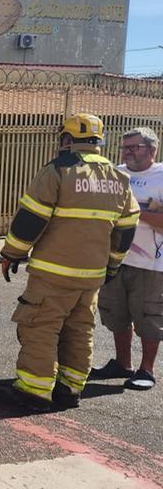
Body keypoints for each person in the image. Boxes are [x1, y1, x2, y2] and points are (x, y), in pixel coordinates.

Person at [0, 113, 139, 411]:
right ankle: (70, 389)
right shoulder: (119, 178)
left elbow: (30, 220)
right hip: (92, 276)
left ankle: (33, 392)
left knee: (41, 326)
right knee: (80, 329)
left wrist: (12, 253)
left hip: (53, 273)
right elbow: (126, 230)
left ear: (67, 140)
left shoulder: (59, 171)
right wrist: (112, 266)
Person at [91, 127, 163, 391]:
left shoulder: (161, 177)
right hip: (115, 258)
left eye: (135, 147)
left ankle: (147, 369)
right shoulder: (116, 173)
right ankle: (123, 364)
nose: (128, 152)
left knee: (148, 317)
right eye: (125, 147)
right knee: (115, 313)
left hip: (151, 264)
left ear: (152, 149)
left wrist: (132, 209)